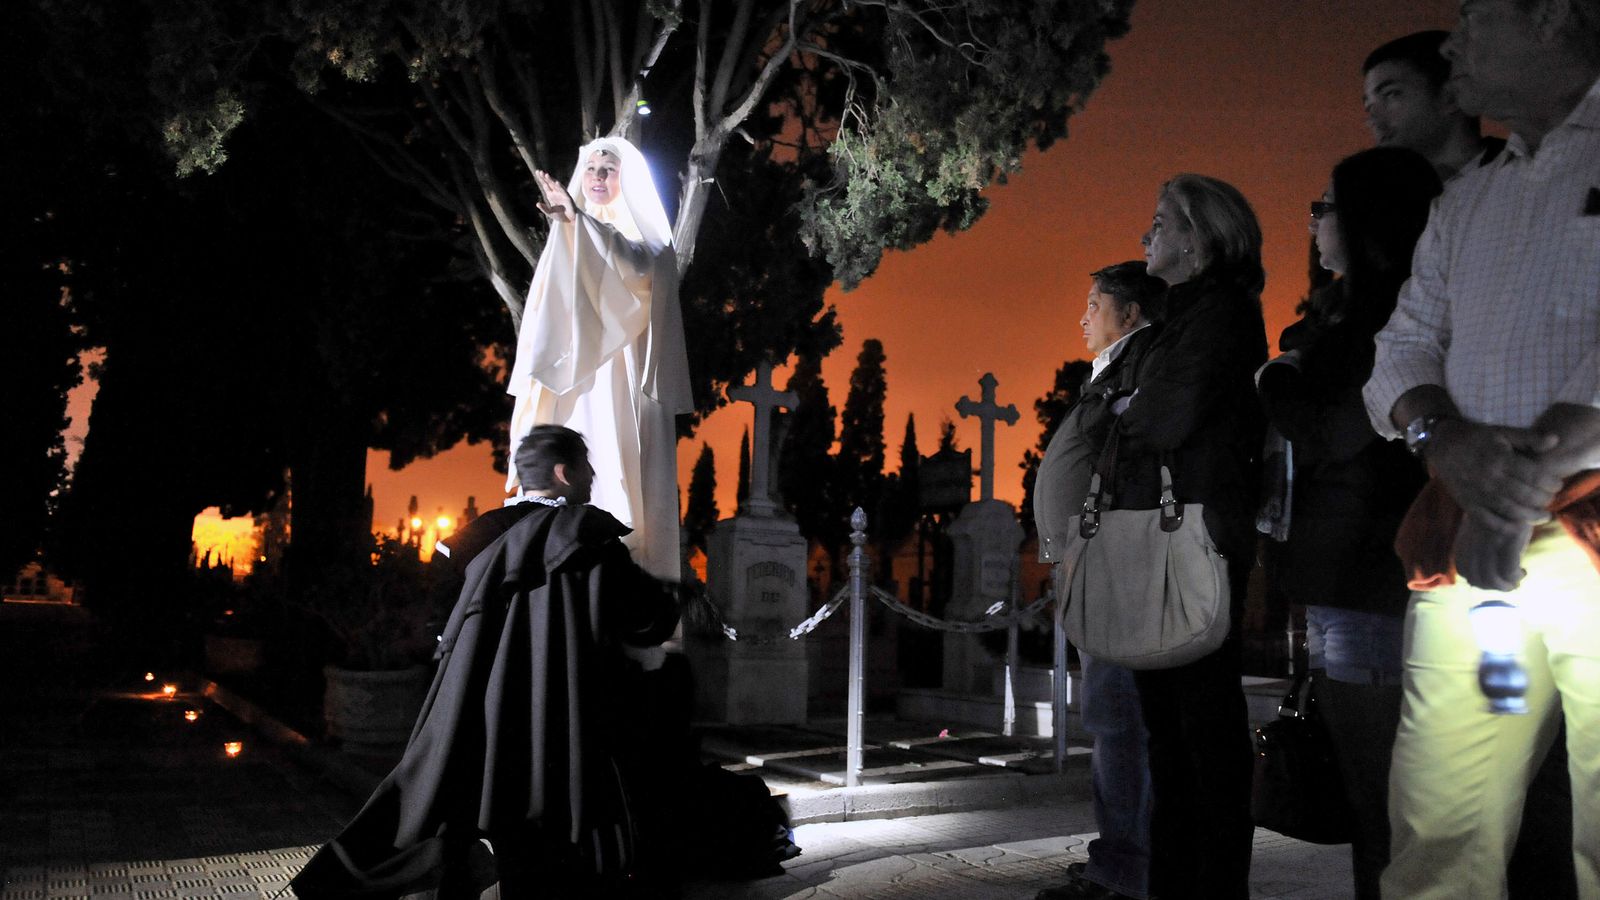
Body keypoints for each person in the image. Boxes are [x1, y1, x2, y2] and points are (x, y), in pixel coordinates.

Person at [1361, 0, 1600, 895]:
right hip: (1472, 549)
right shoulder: (1473, 199)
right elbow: (1402, 347)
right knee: (1438, 824)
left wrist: (1532, 467)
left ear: (1554, 19)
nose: (1452, 45)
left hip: (1578, 527)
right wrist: (1437, 434)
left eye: (1474, 20)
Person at [291, 425, 682, 898]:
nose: (594, 474)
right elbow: (647, 622)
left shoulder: (467, 543)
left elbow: (439, 625)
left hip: (473, 714)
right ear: (563, 473)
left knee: (464, 804)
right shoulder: (588, 537)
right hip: (557, 714)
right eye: (586, 465)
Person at [1257, 147, 1440, 900]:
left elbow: (1338, 433)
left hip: (1372, 579)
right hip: (1340, 581)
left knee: (1384, 803)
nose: (1312, 221)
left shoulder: (1390, 316)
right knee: (1371, 802)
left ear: (1367, 221)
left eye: (1324, 206)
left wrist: (1275, 381)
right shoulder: (1346, 311)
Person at [1117, 175, 1267, 900]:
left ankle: (1210, 888)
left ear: (1198, 238)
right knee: (1167, 738)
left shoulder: (1222, 315)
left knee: (1202, 736)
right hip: (1163, 537)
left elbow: (1158, 420)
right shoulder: (1180, 318)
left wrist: (1122, 410)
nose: (1147, 233)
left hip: (1197, 543)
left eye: (1160, 219)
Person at [1033, 261, 1166, 900]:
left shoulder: (1141, 367)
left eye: (1095, 303)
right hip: (1096, 560)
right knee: (1112, 716)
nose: (1083, 316)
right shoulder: (1116, 372)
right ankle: (1118, 859)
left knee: (1117, 717)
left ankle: (1123, 870)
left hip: (1113, 562)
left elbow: (1134, 457)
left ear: (1131, 312)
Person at [505, 137, 693, 582]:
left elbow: (635, 267)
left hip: (618, 378)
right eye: (591, 168)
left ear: (627, 178)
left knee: (615, 468)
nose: (598, 176)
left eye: (608, 168)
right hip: (573, 381)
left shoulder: (647, 240)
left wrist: (578, 221)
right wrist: (570, 227)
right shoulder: (570, 232)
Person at [1362, 30, 1504, 179]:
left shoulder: (1522, 176)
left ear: (1451, 97)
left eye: (1391, 94)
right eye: (1369, 107)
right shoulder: (1380, 194)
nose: (1372, 119)